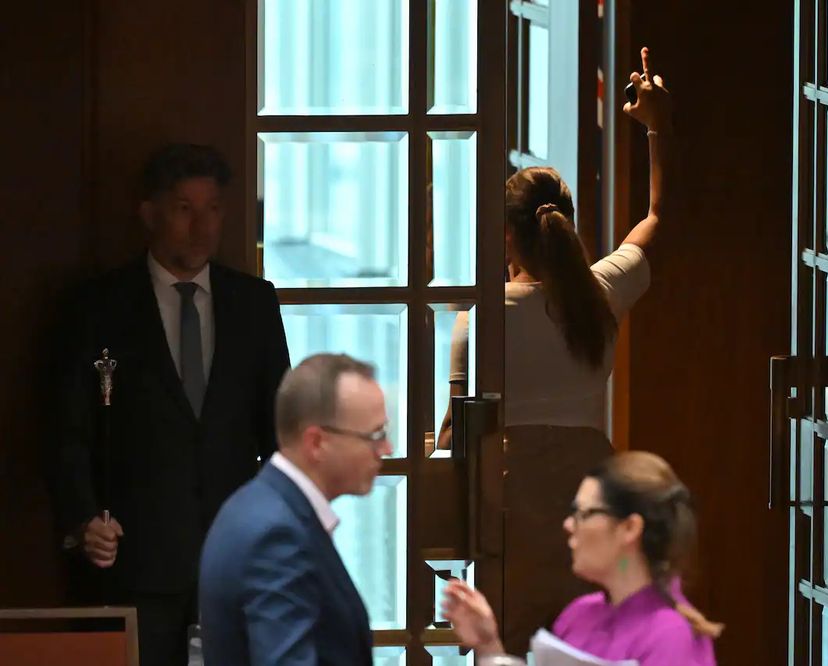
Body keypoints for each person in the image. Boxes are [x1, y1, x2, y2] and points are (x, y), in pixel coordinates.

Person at [440, 47, 693, 652]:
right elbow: (661, 216)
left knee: (506, 653)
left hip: (509, 516)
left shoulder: (483, 320)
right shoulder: (600, 296)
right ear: (567, 224)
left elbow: (454, 441)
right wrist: (657, 124)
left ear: (505, 234)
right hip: (591, 510)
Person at [54, 143, 290, 666]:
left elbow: (280, 432)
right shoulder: (98, 306)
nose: (201, 226)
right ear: (150, 213)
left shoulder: (253, 302)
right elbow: (69, 433)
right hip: (134, 559)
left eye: (213, 209)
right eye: (184, 208)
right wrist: (84, 519)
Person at [199, 353, 392, 666]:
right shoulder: (275, 536)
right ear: (316, 442)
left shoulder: (257, 505)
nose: (386, 449)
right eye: (375, 435)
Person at [443, 451, 720, 665]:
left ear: (629, 528)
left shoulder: (671, 634)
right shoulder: (579, 614)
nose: (568, 524)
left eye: (583, 514)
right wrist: (488, 645)